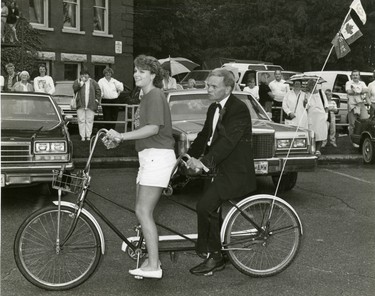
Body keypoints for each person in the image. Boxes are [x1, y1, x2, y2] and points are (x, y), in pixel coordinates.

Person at [105, 55, 175, 280]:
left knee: (143, 211)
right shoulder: (146, 97)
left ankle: (154, 265)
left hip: (157, 157)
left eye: (142, 71)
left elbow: (154, 128)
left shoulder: (154, 95)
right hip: (148, 157)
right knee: (142, 210)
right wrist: (117, 140)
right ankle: (152, 259)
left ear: (153, 75)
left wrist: (122, 136)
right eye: (135, 70)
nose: (136, 74)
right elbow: (144, 130)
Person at [186, 68, 256, 276]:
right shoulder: (213, 108)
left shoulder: (239, 109)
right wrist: (187, 157)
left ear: (228, 88)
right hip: (217, 168)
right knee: (213, 212)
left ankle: (213, 256)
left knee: (205, 207)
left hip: (234, 170)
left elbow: (228, 142)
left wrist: (204, 162)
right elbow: (204, 137)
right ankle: (217, 254)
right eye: (207, 85)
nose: (208, 89)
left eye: (213, 86)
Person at [73, 70, 101, 141]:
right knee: (81, 120)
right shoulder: (77, 81)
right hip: (80, 104)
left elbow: (98, 91)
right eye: (82, 74)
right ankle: (82, 136)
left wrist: (96, 101)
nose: (84, 76)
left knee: (89, 120)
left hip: (91, 104)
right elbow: (75, 88)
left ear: (89, 75)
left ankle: (88, 136)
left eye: (86, 74)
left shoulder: (93, 82)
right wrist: (81, 83)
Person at [345, 70, 370, 146]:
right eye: (354, 75)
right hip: (352, 104)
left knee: (365, 120)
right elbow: (349, 91)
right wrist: (360, 91)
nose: (355, 76)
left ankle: (362, 139)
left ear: (359, 76)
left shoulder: (362, 83)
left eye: (357, 75)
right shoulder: (348, 83)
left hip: (361, 103)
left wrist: (356, 91)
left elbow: (366, 90)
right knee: (352, 124)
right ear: (351, 76)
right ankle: (353, 141)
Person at [304, 79, 328, 156]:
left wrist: (326, 115)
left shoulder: (321, 93)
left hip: (321, 116)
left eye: (313, 85)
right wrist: (305, 102)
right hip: (311, 116)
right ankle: (312, 149)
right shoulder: (307, 94)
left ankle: (318, 150)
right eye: (310, 85)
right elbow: (306, 107)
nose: (312, 87)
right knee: (312, 133)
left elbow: (326, 104)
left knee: (320, 133)